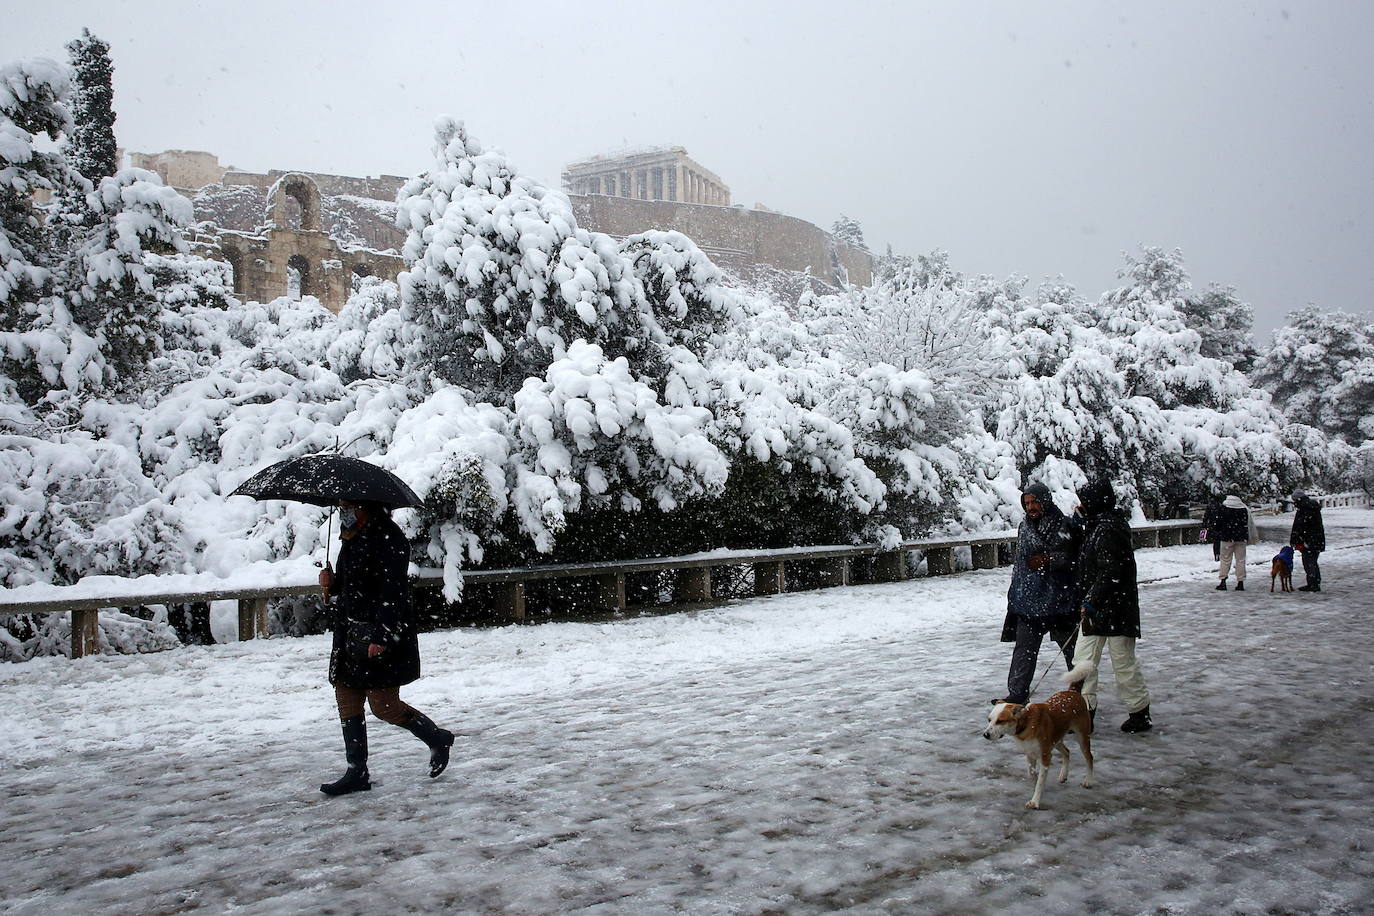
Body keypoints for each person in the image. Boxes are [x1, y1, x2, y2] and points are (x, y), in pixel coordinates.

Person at [316, 499, 454, 796]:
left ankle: (437, 738)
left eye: (348, 504)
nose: (344, 510)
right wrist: (332, 583)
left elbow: (392, 590)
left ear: (366, 505)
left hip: (378, 633)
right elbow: (353, 584)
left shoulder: (389, 538)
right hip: (350, 633)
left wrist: (382, 635)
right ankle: (357, 771)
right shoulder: (349, 536)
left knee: (384, 706)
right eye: (341, 505)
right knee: (346, 696)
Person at [1063, 479, 1154, 733]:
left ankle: (1139, 713)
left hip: (1115, 608)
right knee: (1083, 660)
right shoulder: (1096, 526)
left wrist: (1092, 600)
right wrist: (1077, 526)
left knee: (1123, 662)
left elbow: (1111, 571)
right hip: (1099, 607)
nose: (1080, 505)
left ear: (1095, 503)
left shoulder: (1109, 529)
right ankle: (1083, 713)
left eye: (1084, 501)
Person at [996, 483, 1081, 705]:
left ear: (1045, 500)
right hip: (1028, 601)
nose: (1031, 507)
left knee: (1072, 652)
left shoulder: (1063, 525)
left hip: (1059, 600)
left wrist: (1049, 560)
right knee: (1024, 650)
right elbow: (1021, 564)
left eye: (1035, 502)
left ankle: (1080, 696)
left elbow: (1075, 559)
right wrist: (1016, 593)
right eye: (1027, 503)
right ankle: (1017, 694)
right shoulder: (1024, 526)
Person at [1212, 491, 1257, 591]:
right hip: (1240, 538)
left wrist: (1218, 534)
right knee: (1240, 560)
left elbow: (1218, 523)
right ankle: (1240, 582)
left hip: (1226, 538)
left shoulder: (1224, 507)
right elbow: (1246, 524)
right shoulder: (1243, 508)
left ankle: (1223, 581)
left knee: (1225, 559)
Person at [1290, 490, 1326, 592]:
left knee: (1309, 562)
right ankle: (1313, 582)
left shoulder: (1305, 509)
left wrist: (1297, 539)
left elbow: (1300, 526)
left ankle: (1313, 584)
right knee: (1311, 562)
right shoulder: (1310, 507)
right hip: (1315, 539)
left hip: (1309, 540)